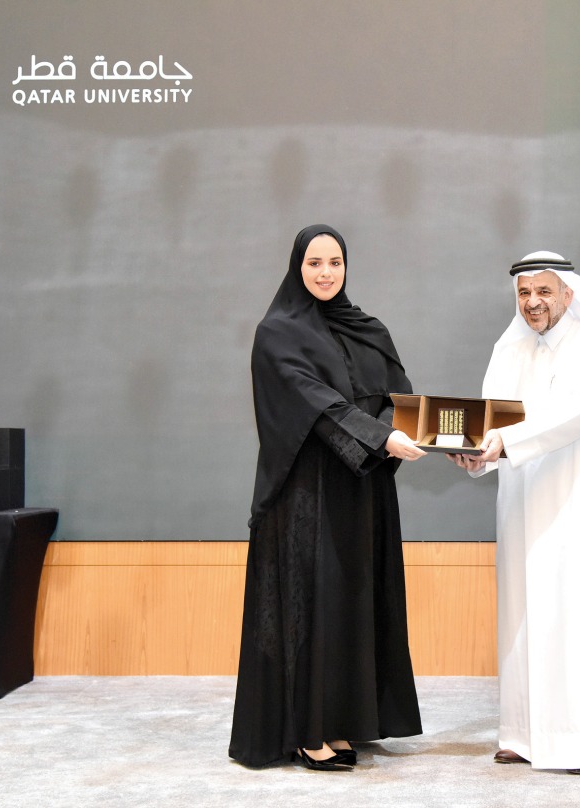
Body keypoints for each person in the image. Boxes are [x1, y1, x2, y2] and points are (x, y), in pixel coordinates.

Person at [230, 224, 425, 771]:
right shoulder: (277, 333)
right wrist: (379, 436)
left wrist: (392, 428)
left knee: (350, 606)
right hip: (306, 499)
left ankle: (341, 724)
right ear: (297, 267)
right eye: (314, 263)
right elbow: (312, 401)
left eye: (335, 262)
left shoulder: (366, 328)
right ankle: (305, 732)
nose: (325, 273)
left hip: (361, 490)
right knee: (312, 606)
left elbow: (397, 395)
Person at [448, 251, 580, 774]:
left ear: (568, 294)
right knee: (525, 612)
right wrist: (473, 456)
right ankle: (523, 733)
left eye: (543, 292)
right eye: (524, 293)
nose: (533, 303)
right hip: (524, 504)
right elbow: (491, 423)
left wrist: (501, 444)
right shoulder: (510, 347)